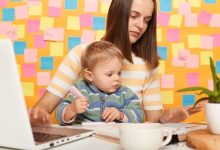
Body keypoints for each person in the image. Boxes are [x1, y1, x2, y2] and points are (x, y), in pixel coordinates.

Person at [29, 0, 202, 125]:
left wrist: (167, 119)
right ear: (118, 14)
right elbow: (44, 106)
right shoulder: (82, 53)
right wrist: (39, 114)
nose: (140, 25)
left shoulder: (148, 66)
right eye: (134, 16)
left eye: (147, 20)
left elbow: (153, 122)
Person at [55, 41, 144, 125]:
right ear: (90, 76)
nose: (117, 78)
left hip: (113, 137)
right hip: (86, 138)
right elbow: (59, 113)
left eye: (119, 73)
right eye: (110, 74)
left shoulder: (125, 94)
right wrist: (71, 109)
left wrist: (120, 115)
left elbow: (139, 116)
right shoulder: (80, 89)